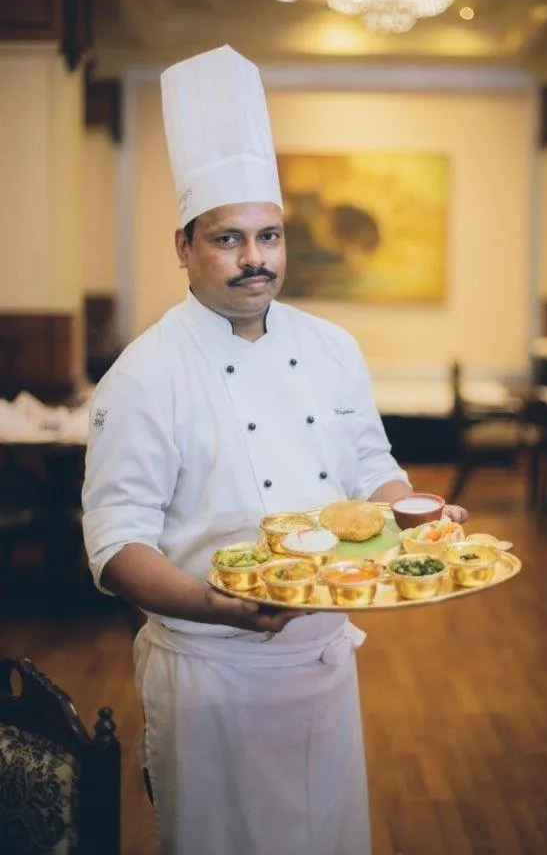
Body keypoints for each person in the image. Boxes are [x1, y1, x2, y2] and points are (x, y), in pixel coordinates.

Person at [81, 45, 467, 855]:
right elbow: (116, 545)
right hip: (208, 671)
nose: (255, 259)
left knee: (325, 833)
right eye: (228, 239)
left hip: (323, 659)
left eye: (269, 236)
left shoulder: (330, 347)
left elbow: (372, 469)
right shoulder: (144, 374)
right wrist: (222, 608)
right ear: (182, 246)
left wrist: (420, 517)